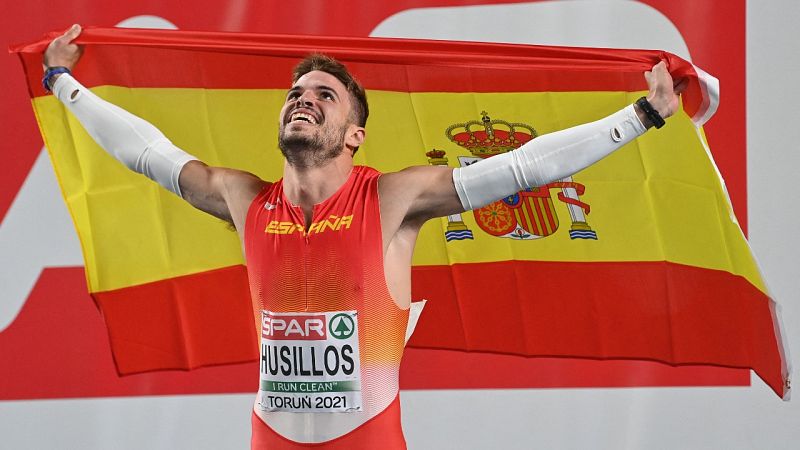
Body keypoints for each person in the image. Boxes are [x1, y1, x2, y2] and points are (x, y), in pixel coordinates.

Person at [42, 24, 684, 449]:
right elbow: (147, 153)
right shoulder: (245, 199)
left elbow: (520, 167)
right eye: (296, 92)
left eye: (324, 95)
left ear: (355, 135)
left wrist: (642, 115)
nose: (304, 99)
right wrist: (63, 83)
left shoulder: (393, 200)